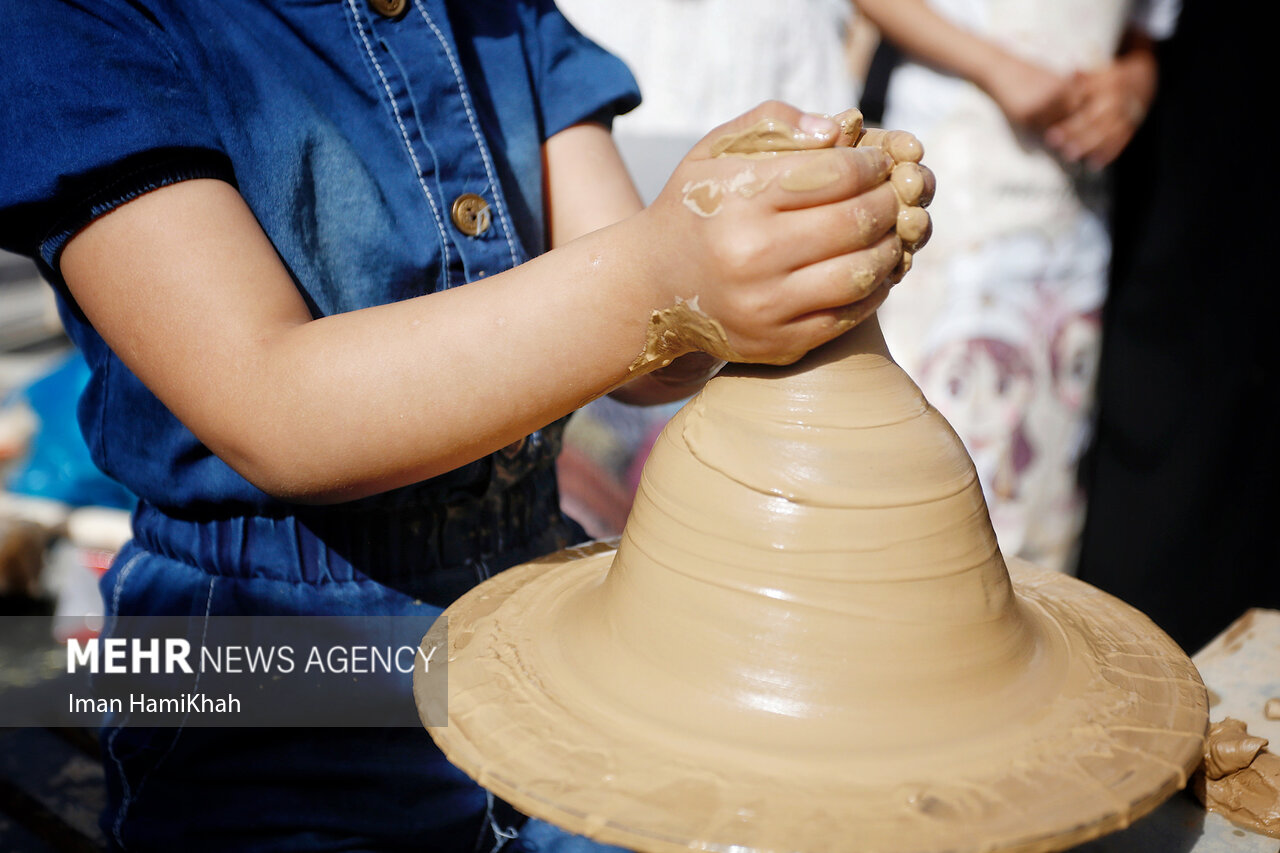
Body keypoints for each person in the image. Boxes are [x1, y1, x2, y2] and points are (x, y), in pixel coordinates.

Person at [0, 1, 911, 850]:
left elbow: (649, 355)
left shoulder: (498, 11)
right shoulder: (87, 18)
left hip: (536, 591)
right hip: (260, 651)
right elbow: (274, 410)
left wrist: (751, 247)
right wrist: (664, 273)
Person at [857, 0, 1175, 572]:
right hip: (948, 184)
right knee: (911, 477)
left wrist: (1136, 84)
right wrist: (994, 67)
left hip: (1071, 211)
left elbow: (1143, 34)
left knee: (1034, 491)